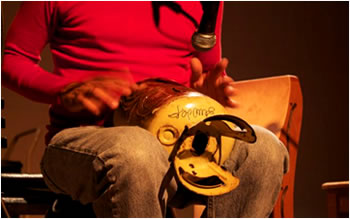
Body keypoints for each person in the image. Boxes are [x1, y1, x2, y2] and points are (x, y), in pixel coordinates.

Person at [2, 1, 289, 217]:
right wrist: (64, 91)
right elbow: (12, 59)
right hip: (83, 139)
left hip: (180, 141)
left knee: (264, 149)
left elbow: (207, 70)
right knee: (137, 150)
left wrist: (208, 91)